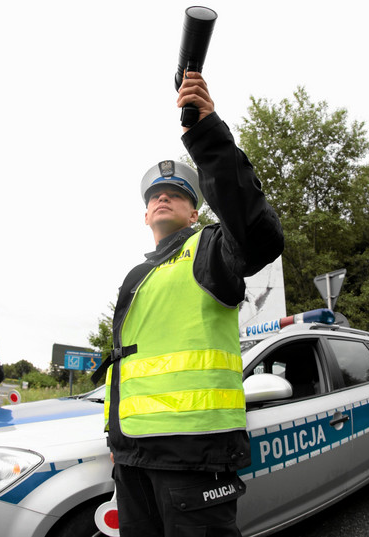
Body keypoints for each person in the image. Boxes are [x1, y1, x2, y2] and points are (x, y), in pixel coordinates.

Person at [99, 72, 284, 537]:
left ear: (194, 212)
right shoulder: (136, 278)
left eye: (177, 194)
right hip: (133, 458)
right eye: (155, 196)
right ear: (145, 215)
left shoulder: (209, 248)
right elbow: (124, 369)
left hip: (193, 461)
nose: (163, 197)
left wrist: (206, 136)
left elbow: (258, 234)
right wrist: (115, 442)